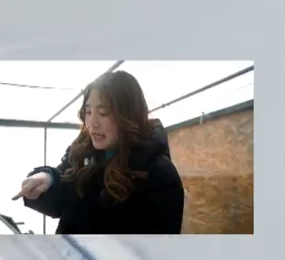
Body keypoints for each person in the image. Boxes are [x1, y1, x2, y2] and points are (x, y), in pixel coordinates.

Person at [16, 69, 186, 235]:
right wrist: (47, 179)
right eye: (88, 112)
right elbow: (64, 192)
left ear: (129, 116)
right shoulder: (82, 150)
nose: (92, 123)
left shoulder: (160, 175)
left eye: (103, 113)